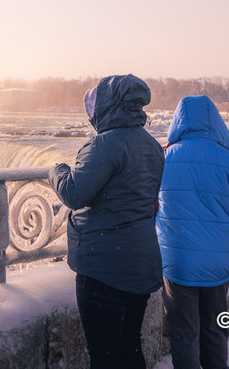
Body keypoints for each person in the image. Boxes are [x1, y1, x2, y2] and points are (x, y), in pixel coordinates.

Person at [49, 74, 164, 368]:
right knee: (130, 345)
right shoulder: (151, 145)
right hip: (141, 261)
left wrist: (57, 171)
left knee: (104, 355)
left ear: (107, 107)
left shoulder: (104, 144)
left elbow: (74, 194)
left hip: (104, 268)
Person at [156, 96, 229, 369]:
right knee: (215, 329)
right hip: (218, 264)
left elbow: (149, 211)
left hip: (178, 264)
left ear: (177, 122)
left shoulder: (163, 158)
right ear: (216, 123)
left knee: (184, 334)